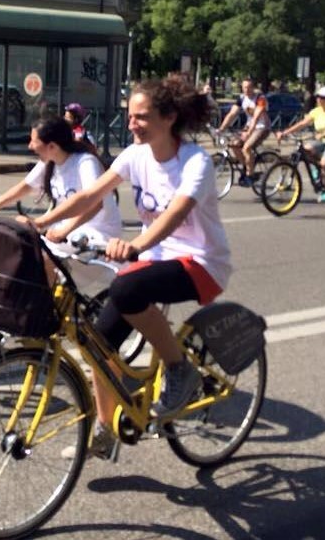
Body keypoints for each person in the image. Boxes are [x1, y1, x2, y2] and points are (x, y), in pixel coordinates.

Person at [33, 76, 231, 460]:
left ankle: (178, 368)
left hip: (201, 262)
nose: (131, 123)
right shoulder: (134, 155)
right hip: (153, 260)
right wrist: (42, 224)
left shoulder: (195, 162)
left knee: (126, 289)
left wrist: (137, 245)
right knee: (97, 345)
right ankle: (106, 431)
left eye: (141, 117)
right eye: (129, 116)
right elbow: (90, 195)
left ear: (169, 118)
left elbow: (176, 213)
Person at [0, 116, 121, 255]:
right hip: (67, 229)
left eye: (34, 141)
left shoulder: (85, 162)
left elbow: (94, 203)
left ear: (52, 146)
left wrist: (56, 229)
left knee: (42, 261)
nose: (30, 146)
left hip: (96, 231)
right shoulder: (49, 161)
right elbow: (26, 186)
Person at [276, 85, 325, 203]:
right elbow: (302, 123)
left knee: (324, 163)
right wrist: (284, 133)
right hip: (322, 141)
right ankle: (316, 169)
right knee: (305, 149)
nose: (319, 99)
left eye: (323, 97)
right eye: (318, 97)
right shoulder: (316, 111)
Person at [217, 78, 271, 187]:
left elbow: (256, 116)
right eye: (244, 87)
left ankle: (250, 176)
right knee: (234, 144)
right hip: (249, 127)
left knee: (247, 147)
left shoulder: (260, 98)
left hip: (262, 127)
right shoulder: (241, 99)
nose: (246, 89)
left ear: (253, 87)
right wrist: (221, 129)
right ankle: (247, 166)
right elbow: (232, 114)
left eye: (249, 87)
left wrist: (249, 132)